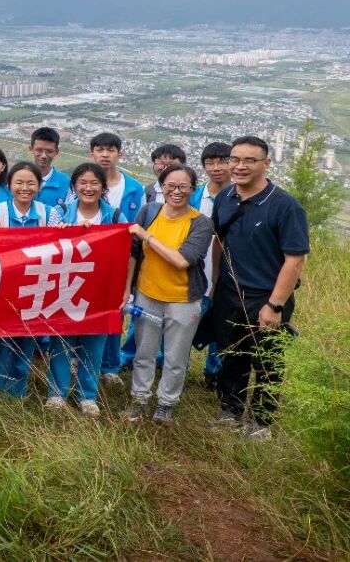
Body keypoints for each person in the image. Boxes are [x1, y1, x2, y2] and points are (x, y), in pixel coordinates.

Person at [210, 135, 309, 441]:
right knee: (232, 354)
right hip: (230, 292)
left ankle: (261, 421)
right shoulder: (225, 197)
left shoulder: (284, 206)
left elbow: (295, 259)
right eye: (235, 159)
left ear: (266, 163)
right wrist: (216, 283)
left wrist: (275, 305)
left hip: (266, 296)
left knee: (267, 362)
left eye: (249, 161)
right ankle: (230, 410)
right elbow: (220, 241)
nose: (240, 166)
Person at [123, 163, 213, 425]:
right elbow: (133, 253)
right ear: (161, 187)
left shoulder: (200, 223)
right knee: (144, 351)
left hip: (183, 299)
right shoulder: (149, 211)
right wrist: (127, 289)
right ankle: (139, 398)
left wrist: (148, 237)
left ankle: (166, 403)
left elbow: (182, 260)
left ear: (193, 189)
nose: (176, 191)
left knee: (175, 356)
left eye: (183, 186)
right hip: (147, 293)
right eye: (170, 186)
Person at [45, 162, 124, 416]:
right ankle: (56, 392)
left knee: (94, 342)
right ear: (74, 186)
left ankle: (87, 396)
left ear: (103, 187)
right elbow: (46, 247)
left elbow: (125, 250)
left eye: (94, 183)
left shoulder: (114, 216)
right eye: (82, 183)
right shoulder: (60, 212)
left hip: (100, 289)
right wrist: (61, 234)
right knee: (61, 341)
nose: (88, 188)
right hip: (65, 286)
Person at [0, 162, 49, 399]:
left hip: (35, 286)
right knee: (0, 340)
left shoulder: (48, 213)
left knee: (26, 339)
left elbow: (57, 246)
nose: (25, 188)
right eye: (19, 182)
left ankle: (18, 391)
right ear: (9, 185)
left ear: (39, 186)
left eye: (31, 183)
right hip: (4, 286)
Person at [87, 131, 145, 380]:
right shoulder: (83, 182)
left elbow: (138, 225)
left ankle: (109, 365)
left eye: (110, 150)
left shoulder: (133, 188)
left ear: (119, 154)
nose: (105, 155)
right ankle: (82, 360)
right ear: (91, 153)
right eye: (99, 150)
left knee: (114, 313)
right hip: (88, 259)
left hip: (120, 261)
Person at [189, 141, 232, 386]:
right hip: (195, 274)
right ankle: (172, 367)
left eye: (222, 162)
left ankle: (214, 372)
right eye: (210, 163)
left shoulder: (240, 197)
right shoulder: (194, 196)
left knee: (221, 326)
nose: (216, 168)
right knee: (184, 325)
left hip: (226, 277)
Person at [30, 127, 69, 211]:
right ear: (31, 149)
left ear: (56, 152)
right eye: (39, 150)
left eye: (49, 151)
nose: (43, 155)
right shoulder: (19, 179)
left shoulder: (66, 183)